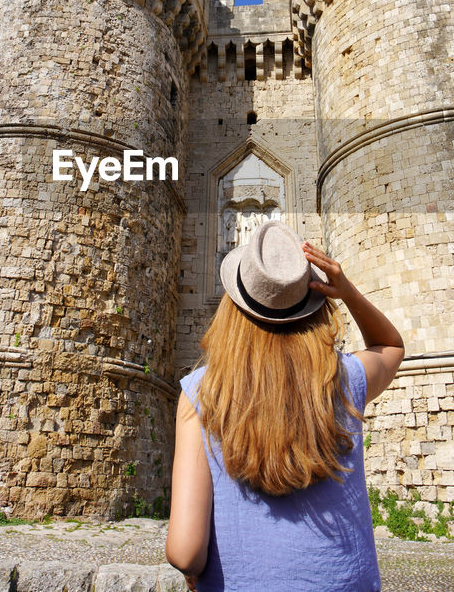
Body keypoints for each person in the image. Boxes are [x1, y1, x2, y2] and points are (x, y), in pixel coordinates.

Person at [165, 221, 405, 591]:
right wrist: (347, 292)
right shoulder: (344, 379)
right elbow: (390, 347)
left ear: (233, 306)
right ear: (312, 304)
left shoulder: (202, 392)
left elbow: (186, 552)